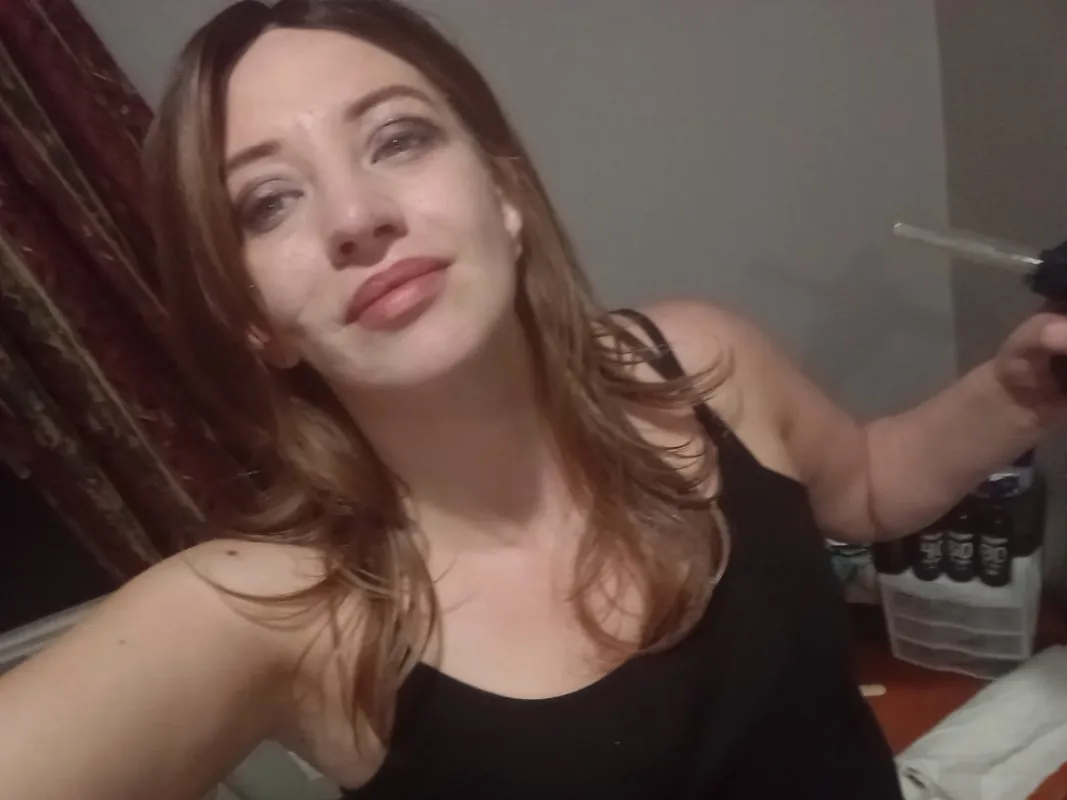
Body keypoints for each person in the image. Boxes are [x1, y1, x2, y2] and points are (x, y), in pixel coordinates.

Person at [2, 1, 1065, 798]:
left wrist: (1011, 392)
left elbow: (866, 487)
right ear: (254, 321)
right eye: (269, 201)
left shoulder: (699, 359)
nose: (357, 215)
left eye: (397, 138)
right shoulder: (289, 612)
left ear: (504, 193)